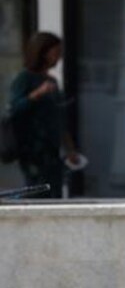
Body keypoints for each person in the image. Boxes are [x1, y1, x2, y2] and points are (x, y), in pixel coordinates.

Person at [7, 32, 80, 198]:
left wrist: (69, 148)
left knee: (53, 190)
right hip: (32, 149)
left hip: (52, 150)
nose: (58, 58)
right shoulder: (25, 79)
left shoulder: (52, 81)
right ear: (43, 53)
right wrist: (37, 94)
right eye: (55, 53)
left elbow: (59, 118)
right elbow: (15, 108)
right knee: (36, 190)